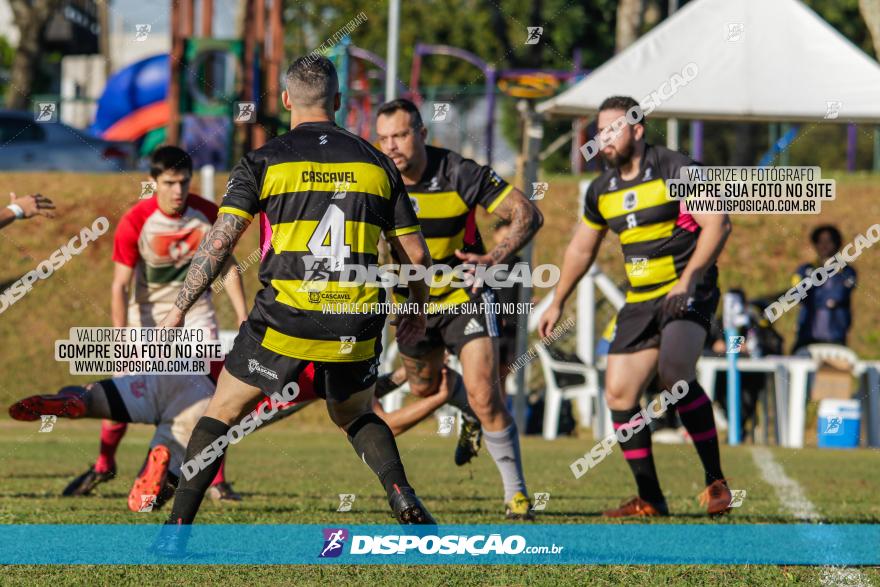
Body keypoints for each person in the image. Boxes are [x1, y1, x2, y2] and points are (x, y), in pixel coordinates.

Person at [156, 55, 434, 549]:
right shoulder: (375, 164)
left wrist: (179, 306)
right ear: (340, 103)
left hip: (285, 318)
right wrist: (414, 309)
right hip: (355, 319)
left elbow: (219, 244)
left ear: (285, 100)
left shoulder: (263, 160)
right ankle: (403, 495)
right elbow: (416, 256)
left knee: (221, 413)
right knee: (354, 414)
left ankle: (176, 533)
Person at [539, 95, 734, 517]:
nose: (603, 139)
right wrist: (558, 300)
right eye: (599, 131)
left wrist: (689, 278)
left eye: (613, 129)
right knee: (619, 393)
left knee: (674, 373)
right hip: (640, 299)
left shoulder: (675, 169)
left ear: (638, 130)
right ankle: (651, 497)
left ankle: (716, 482)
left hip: (688, 288)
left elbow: (718, 224)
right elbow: (580, 249)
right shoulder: (601, 189)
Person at [375, 98, 544, 519]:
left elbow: (527, 213)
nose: (391, 146)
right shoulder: (377, 180)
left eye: (400, 135)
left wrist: (496, 257)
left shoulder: (457, 172)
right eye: (383, 138)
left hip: (464, 295)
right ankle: (459, 398)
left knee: (486, 392)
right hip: (411, 304)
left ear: (421, 135)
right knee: (424, 389)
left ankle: (517, 495)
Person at [8, 364, 457, 512]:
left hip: (189, 372)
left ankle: (69, 399)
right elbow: (364, 406)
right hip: (221, 403)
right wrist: (426, 386)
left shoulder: (273, 316)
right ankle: (164, 470)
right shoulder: (329, 354)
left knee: (97, 397)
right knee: (197, 445)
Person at [63, 146, 249, 502]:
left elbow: (227, 266)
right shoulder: (136, 220)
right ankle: (104, 464)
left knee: (211, 399)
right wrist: (121, 336)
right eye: (169, 183)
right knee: (124, 394)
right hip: (147, 317)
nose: (178, 190)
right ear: (153, 182)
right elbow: (120, 285)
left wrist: (242, 316)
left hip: (195, 314)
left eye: (183, 182)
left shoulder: (208, 214)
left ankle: (216, 481)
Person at [790, 225, 856, 353]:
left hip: (835, 336)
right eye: (820, 242)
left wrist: (814, 295)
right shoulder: (805, 270)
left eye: (829, 241)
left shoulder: (847, 271)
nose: (824, 246)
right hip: (806, 335)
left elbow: (838, 295)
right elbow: (796, 294)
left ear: (837, 244)